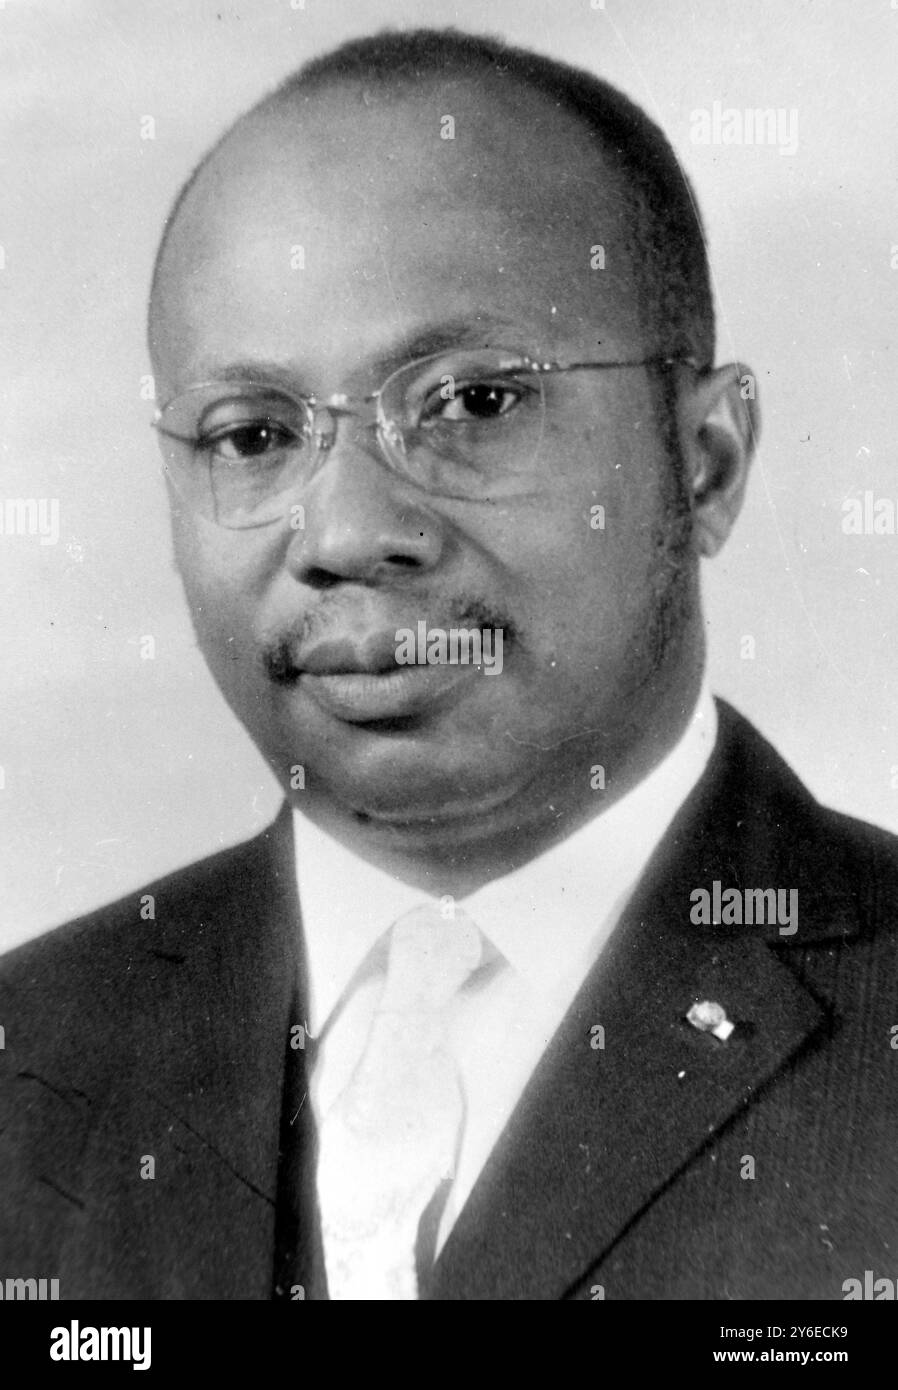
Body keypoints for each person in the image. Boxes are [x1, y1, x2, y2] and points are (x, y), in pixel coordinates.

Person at [2, 27, 896, 1302]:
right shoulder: (26, 1060)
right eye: (253, 433)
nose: (352, 533)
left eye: (472, 403)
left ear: (704, 462)